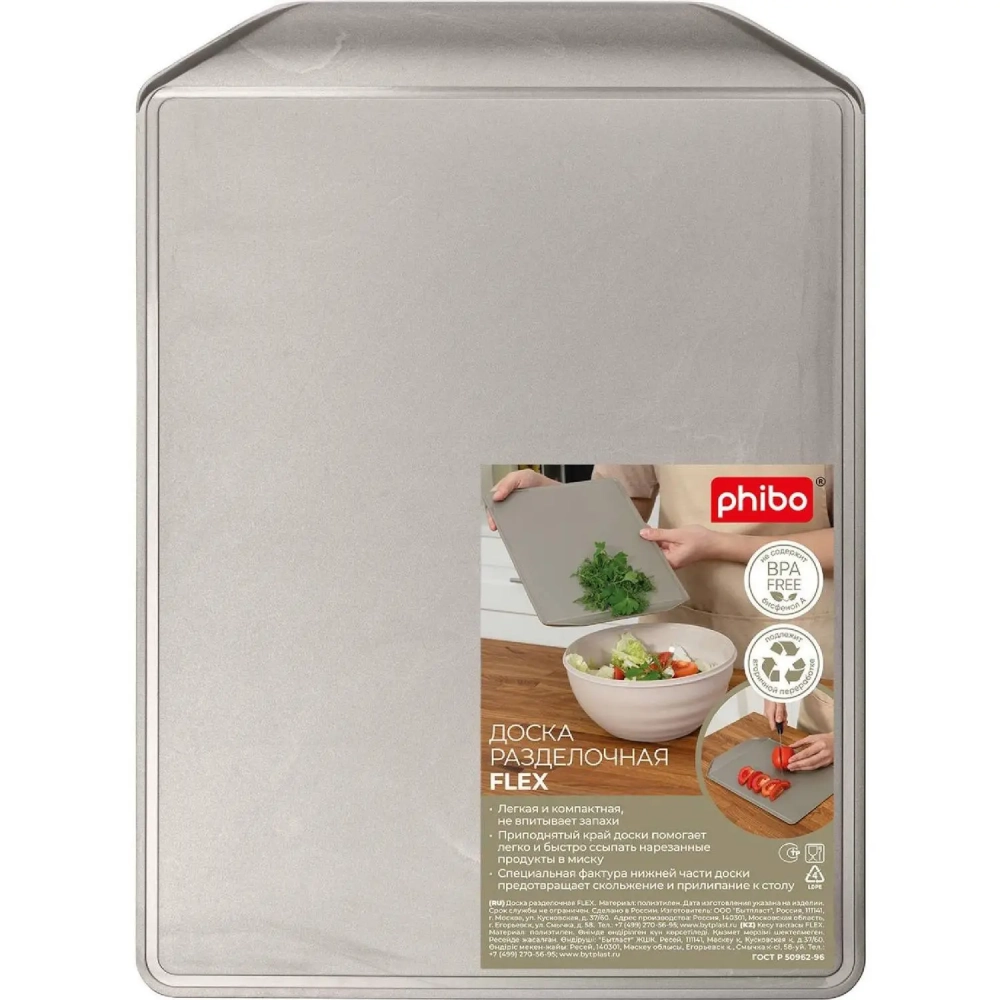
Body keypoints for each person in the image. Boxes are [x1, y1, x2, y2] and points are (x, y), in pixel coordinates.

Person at [488, 464, 835, 772]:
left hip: (799, 633)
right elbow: (617, 513)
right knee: (670, 776)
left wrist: (718, 544)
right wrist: (550, 498)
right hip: (684, 632)